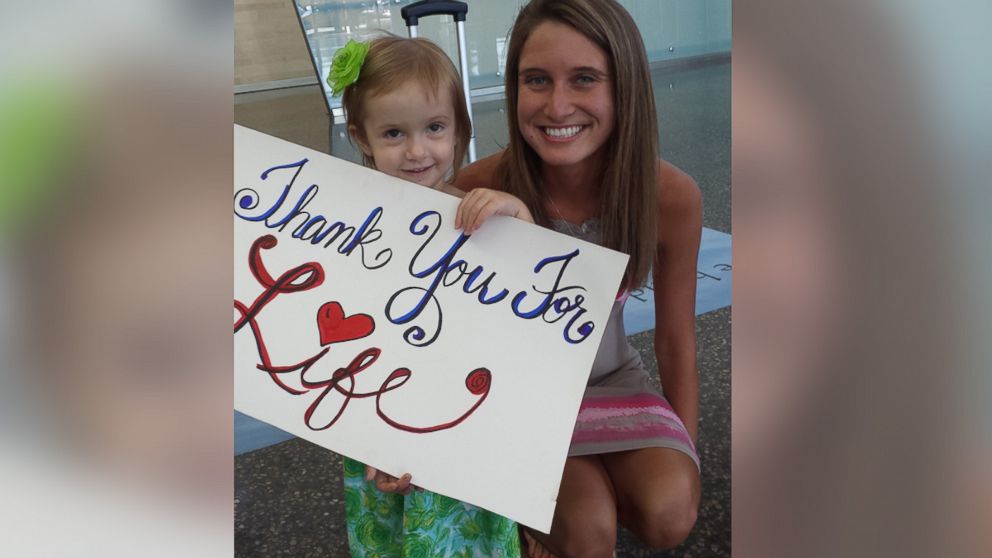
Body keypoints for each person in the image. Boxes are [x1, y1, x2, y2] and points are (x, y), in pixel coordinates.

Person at [453, 0, 702, 555]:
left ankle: (557, 506)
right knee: (588, 531)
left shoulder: (670, 195)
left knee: (671, 512)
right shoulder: (475, 190)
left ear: (626, 89)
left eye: (585, 79)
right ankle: (530, 516)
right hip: (516, 395)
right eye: (536, 80)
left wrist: (686, 448)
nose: (557, 104)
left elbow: (676, 340)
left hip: (615, 380)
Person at [330, 35, 532, 556]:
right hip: (379, 414)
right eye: (394, 132)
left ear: (460, 130)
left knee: (471, 536)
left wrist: (516, 211)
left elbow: (530, 285)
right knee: (393, 537)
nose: (417, 151)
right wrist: (376, 437)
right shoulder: (345, 224)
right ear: (362, 136)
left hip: (463, 414)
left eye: (434, 128)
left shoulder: (476, 212)